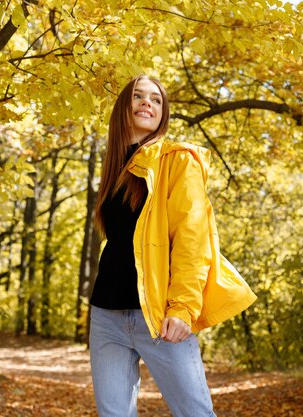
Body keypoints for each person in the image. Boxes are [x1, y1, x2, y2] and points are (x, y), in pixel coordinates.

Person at [89, 74, 257, 417]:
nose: (147, 103)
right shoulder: (115, 167)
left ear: (163, 113)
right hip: (106, 315)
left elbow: (191, 240)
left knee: (194, 413)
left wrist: (182, 307)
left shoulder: (178, 160)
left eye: (156, 99)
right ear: (124, 106)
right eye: (138, 96)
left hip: (160, 317)